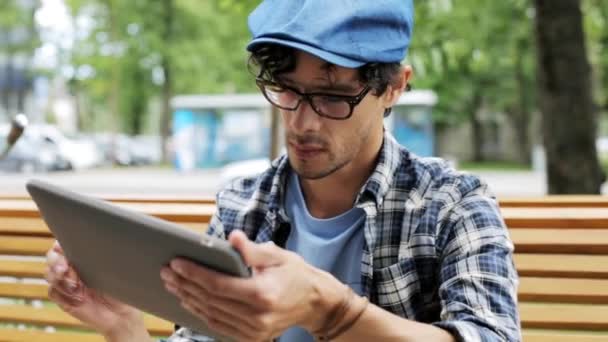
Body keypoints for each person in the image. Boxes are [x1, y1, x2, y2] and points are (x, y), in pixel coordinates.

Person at [45, 1, 521, 341]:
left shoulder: (453, 205)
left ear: (394, 87)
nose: (302, 122)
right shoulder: (243, 203)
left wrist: (332, 311)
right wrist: (122, 326)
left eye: (333, 96)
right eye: (287, 90)